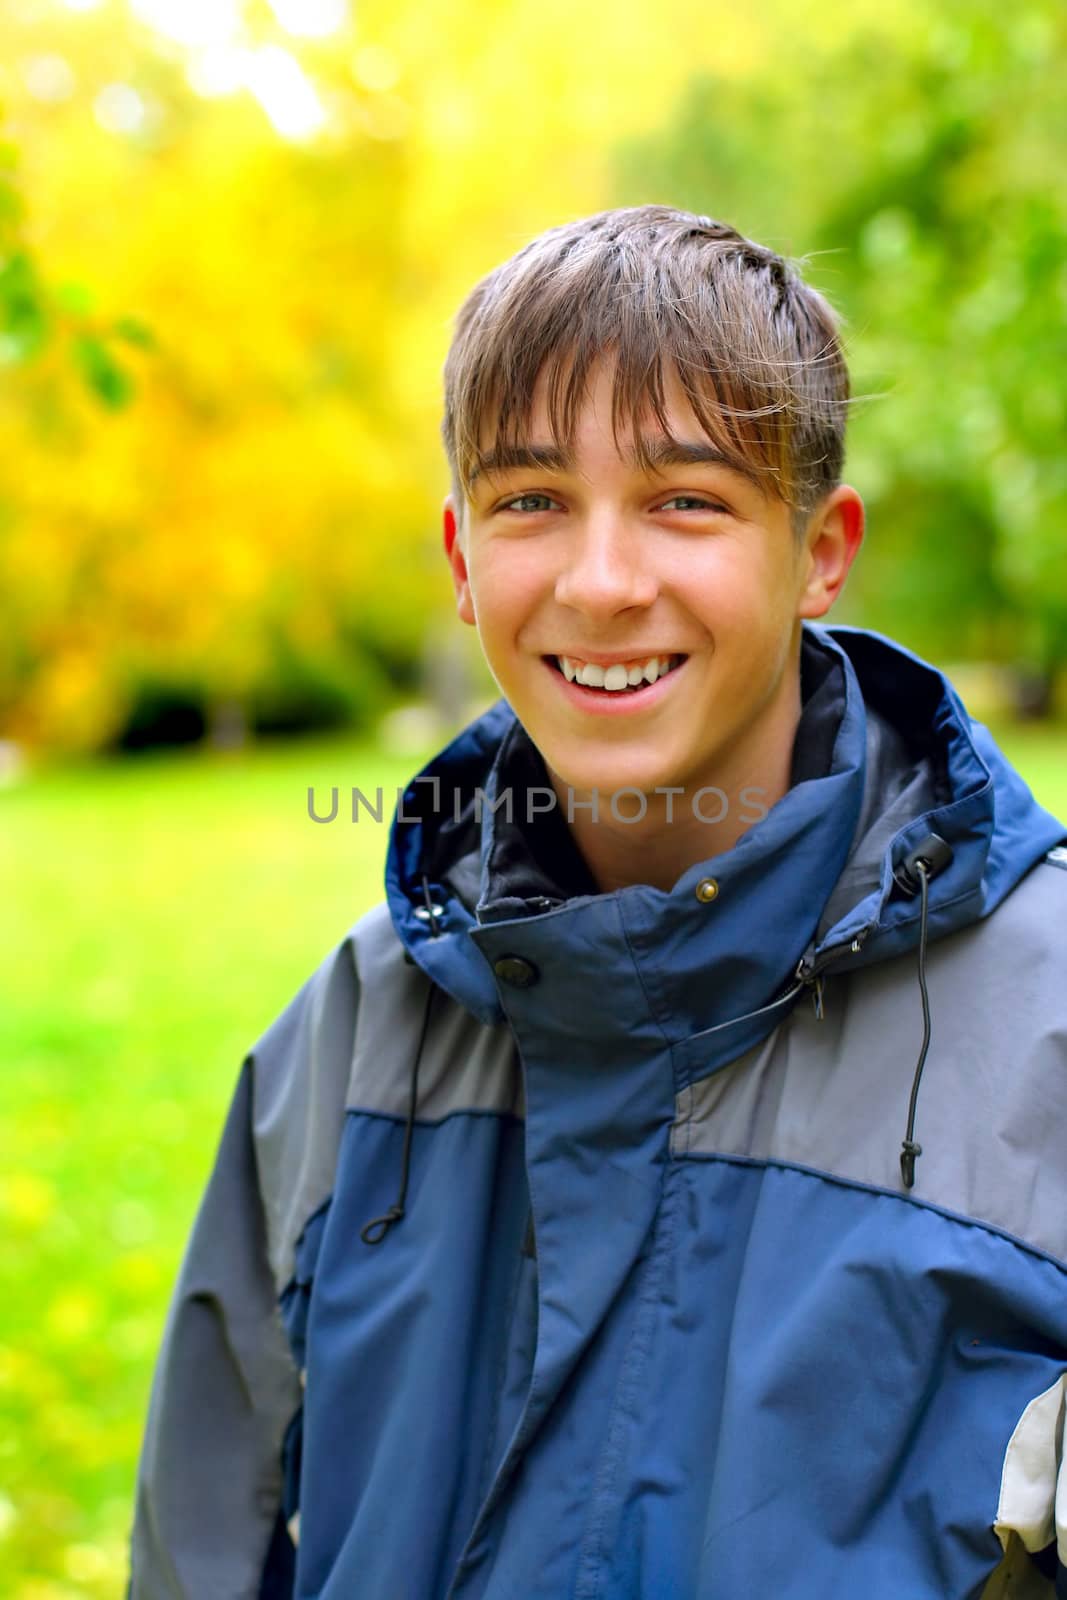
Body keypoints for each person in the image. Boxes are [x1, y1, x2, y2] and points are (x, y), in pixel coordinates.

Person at [129, 205, 1067, 1600]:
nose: (602, 581)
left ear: (821, 549)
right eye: (530, 503)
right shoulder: (342, 1039)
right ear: (460, 559)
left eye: (687, 500)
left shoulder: (1046, 1024)